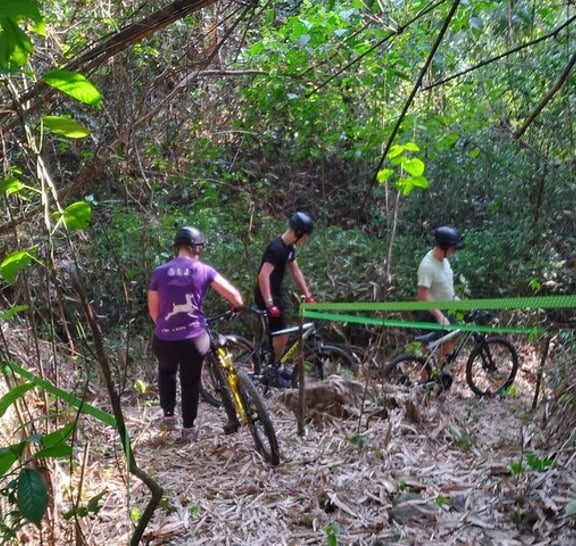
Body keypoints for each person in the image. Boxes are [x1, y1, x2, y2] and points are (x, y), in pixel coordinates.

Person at [147, 226, 244, 442]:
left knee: (166, 371)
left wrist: (167, 328)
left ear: (177, 248)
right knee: (190, 381)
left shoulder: (160, 272)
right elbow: (236, 298)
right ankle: (188, 430)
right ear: (197, 248)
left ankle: (168, 417)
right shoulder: (204, 270)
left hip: (164, 338)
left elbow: (154, 311)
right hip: (194, 339)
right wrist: (237, 307)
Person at [254, 212, 315, 387]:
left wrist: (307, 294)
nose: (304, 240)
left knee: (282, 334)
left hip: (276, 294)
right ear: (298, 233)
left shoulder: (289, 248)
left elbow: (295, 271)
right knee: (281, 335)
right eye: (305, 236)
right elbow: (263, 276)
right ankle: (272, 373)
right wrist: (269, 303)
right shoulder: (276, 248)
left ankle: (276, 366)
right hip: (267, 295)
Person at [416, 225, 464, 388]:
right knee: (425, 348)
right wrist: (439, 315)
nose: (454, 252)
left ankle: (441, 375)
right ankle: (424, 383)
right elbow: (422, 294)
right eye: (453, 248)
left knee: (451, 338)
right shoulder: (427, 265)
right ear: (444, 247)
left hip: (446, 308)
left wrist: (455, 299)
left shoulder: (444, 261)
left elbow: (445, 285)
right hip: (430, 312)